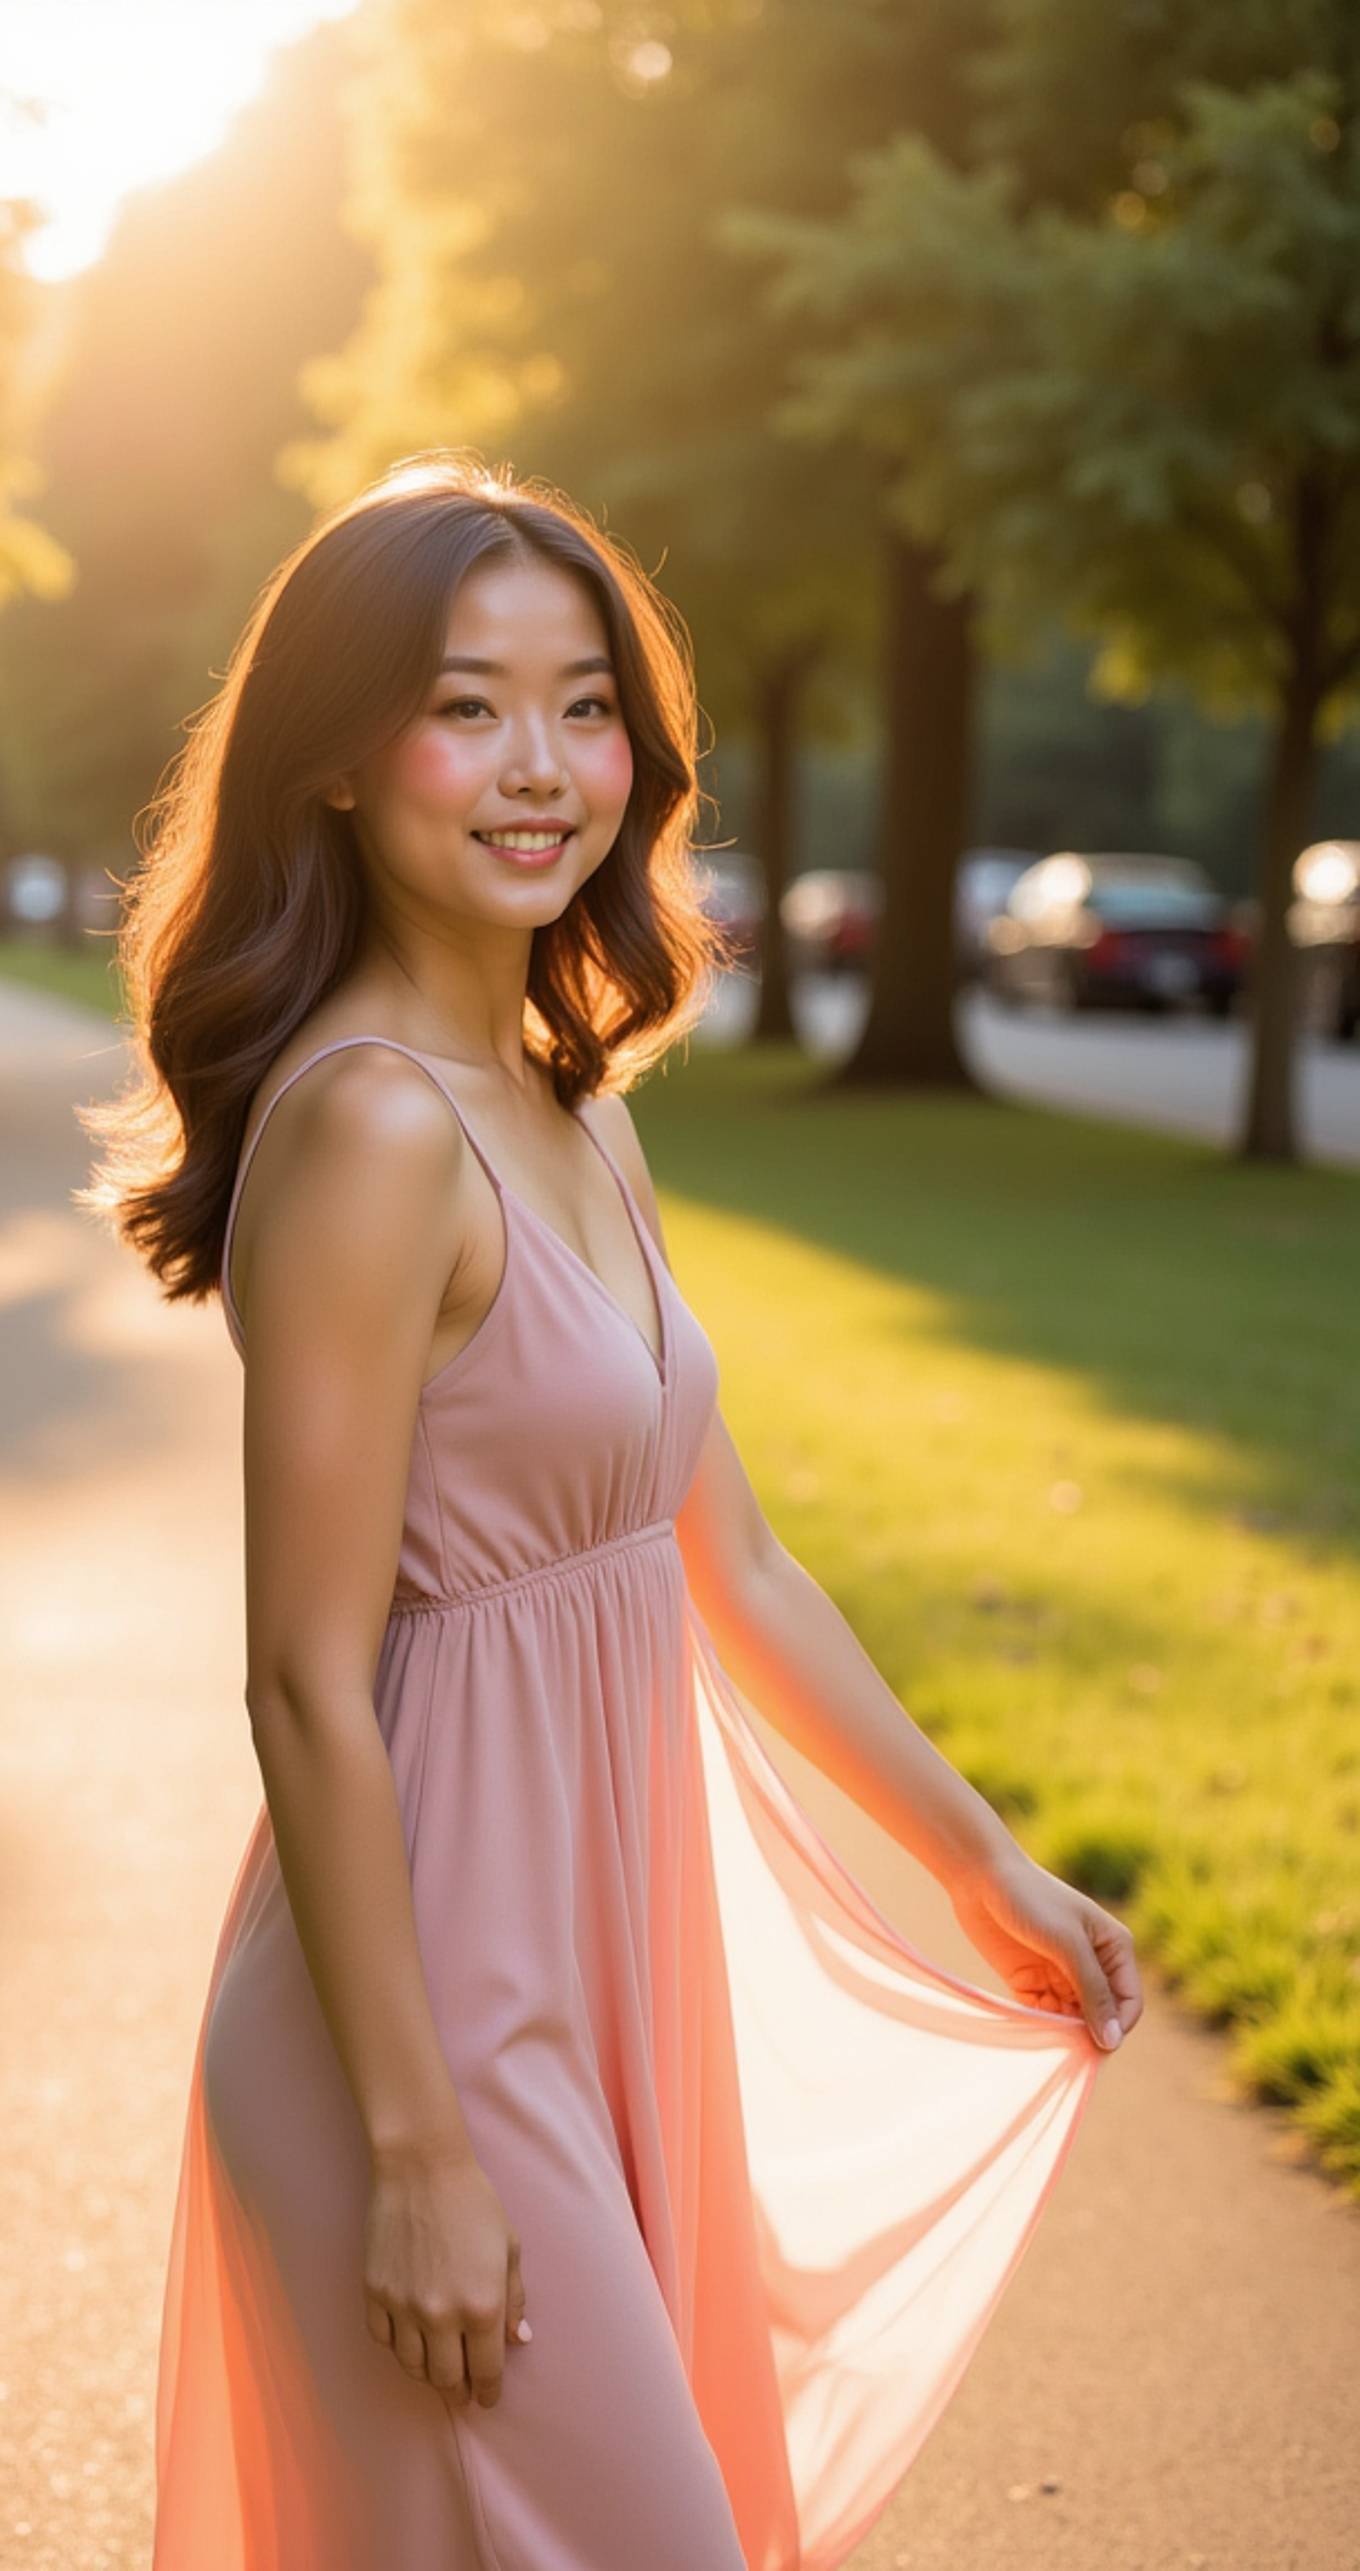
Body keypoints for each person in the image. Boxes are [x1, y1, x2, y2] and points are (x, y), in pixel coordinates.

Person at [80, 452, 1142, 2571]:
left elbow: (727, 1556)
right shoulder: (372, 1132)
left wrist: (979, 1859)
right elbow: (301, 1680)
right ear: (333, 759)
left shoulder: (568, 1114)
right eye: (463, 701)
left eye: (583, 705)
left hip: (595, 1963)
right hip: (430, 2030)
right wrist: (413, 2147)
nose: (537, 763)